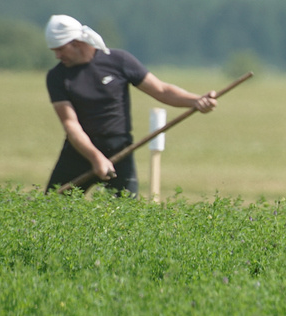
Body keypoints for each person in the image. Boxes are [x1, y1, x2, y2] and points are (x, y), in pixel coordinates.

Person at [43, 14, 217, 195]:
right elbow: (71, 125)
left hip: (120, 150)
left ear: (77, 43)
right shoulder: (57, 77)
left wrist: (196, 101)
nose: (57, 56)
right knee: (50, 209)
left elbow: (161, 90)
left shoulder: (118, 61)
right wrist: (96, 158)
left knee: (125, 215)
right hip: (79, 152)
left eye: (60, 49)